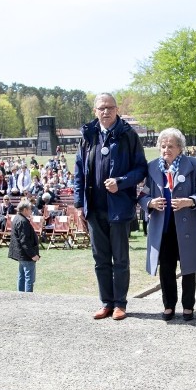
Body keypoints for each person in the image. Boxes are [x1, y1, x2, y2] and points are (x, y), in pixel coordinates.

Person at [74, 92, 148, 321]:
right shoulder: (88, 136)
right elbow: (78, 172)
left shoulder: (128, 136)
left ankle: (120, 304)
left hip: (119, 208)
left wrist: (121, 182)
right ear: (95, 111)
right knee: (101, 259)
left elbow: (141, 169)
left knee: (121, 259)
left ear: (117, 110)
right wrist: (79, 206)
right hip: (94, 209)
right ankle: (106, 302)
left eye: (110, 107)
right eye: (101, 108)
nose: (106, 111)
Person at [140, 128, 196, 321]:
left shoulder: (195, 165)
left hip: (187, 226)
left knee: (189, 267)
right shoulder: (153, 167)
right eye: (163, 146)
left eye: (170, 146)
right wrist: (150, 203)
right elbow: (143, 194)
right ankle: (168, 306)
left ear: (180, 148)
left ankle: (188, 306)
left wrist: (190, 201)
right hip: (163, 228)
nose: (166, 150)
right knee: (166, 268)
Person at [8, 198, 41, 292]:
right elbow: (24, 241)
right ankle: (27, 298)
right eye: (30, 209)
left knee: (22, 276)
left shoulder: (17, 218)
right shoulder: (22, 221)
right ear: (25, 210)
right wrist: (33, 255)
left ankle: (20, 296)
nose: (31, 211)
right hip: (26, 255)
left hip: (21, 254)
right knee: (29, 279)